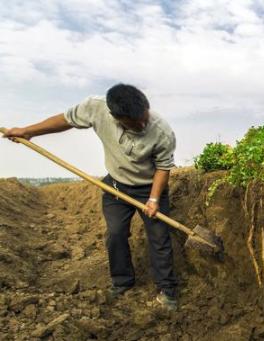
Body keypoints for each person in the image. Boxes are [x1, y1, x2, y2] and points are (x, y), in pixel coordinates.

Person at [2, 84, 179, 311]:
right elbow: (66, 119)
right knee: (115, 234)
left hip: (149, 187)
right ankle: (122, 282)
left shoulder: (162, 131)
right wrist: (29, 131)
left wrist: (153, 200)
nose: (143, 124)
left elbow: (163, 168)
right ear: (117, 118)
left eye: (144, 118)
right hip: (116, 187)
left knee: (159, 238)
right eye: (136, 123)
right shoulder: (96, 108)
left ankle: (167, 291)